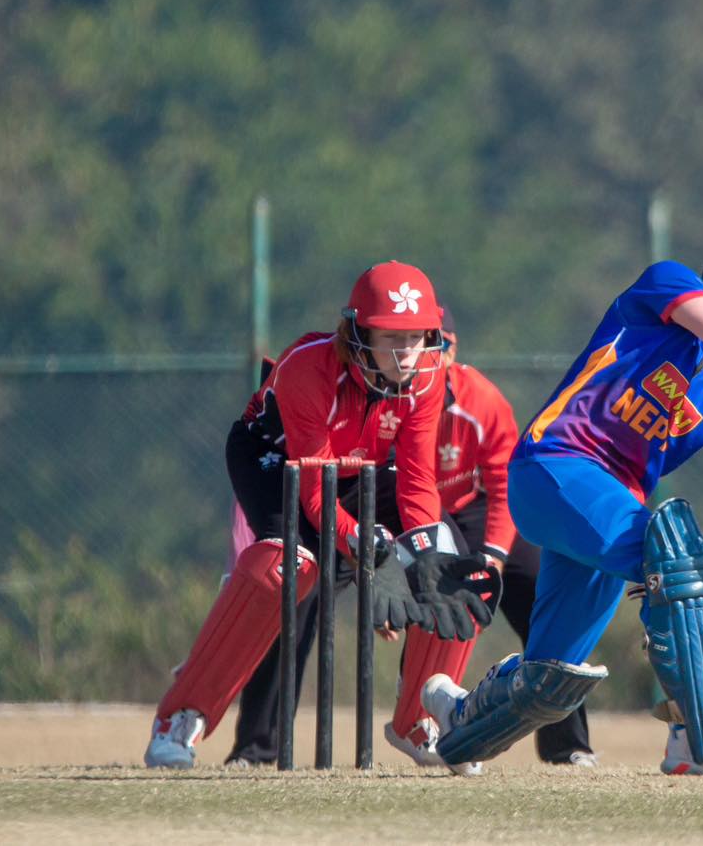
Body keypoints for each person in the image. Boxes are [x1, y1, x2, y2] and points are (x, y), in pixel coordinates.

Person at [420, 222, 703, 776]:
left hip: (607, 503)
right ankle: (697, 736)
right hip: (557, 466)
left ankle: (455, 719)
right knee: (673, 555)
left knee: (550, 679)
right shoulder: (669, 286)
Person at [145, 261, 495, 769]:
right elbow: (314, 496)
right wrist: (369, 547)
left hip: (363, 467)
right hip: (276, 459)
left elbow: (418, 478)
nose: (407, 353)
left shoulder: (426, 375)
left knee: (448, 558)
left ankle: (422, 720)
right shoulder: (309, 368)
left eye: (417, 337)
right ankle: (180, 718)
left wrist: (418, 556)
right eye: (390, 338)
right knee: (283, 571)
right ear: (357, 333)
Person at [223, 306, 596, 769]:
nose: (415, 359)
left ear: (448, 350)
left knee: (535, 592)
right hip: (392, 504)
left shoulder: (481, 400)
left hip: (471, 509)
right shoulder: (384, 394)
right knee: (299, 592)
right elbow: (369, 484)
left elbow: (504, 484)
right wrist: (383, 576)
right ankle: (257, 746)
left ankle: (565, 745)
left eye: (429, 344)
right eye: (402, 344)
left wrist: (493, 560)